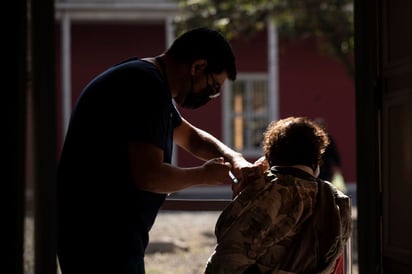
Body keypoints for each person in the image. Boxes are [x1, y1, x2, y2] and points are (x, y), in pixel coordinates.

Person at [56, 27, 255, 274]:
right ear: (198, 67)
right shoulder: (145, 86)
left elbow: (191, 138)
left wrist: (235, 158)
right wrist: (205, 175)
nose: (211, 95)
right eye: (213, 87)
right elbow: (149, 176)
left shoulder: (145, 79)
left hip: (100, 234)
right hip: (100, 237)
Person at [204, 117, 352, 274]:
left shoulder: (267, 191)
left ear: (270, 158)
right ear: (317, 161)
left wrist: (243, 195)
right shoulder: (335, 200)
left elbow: (229, 253)